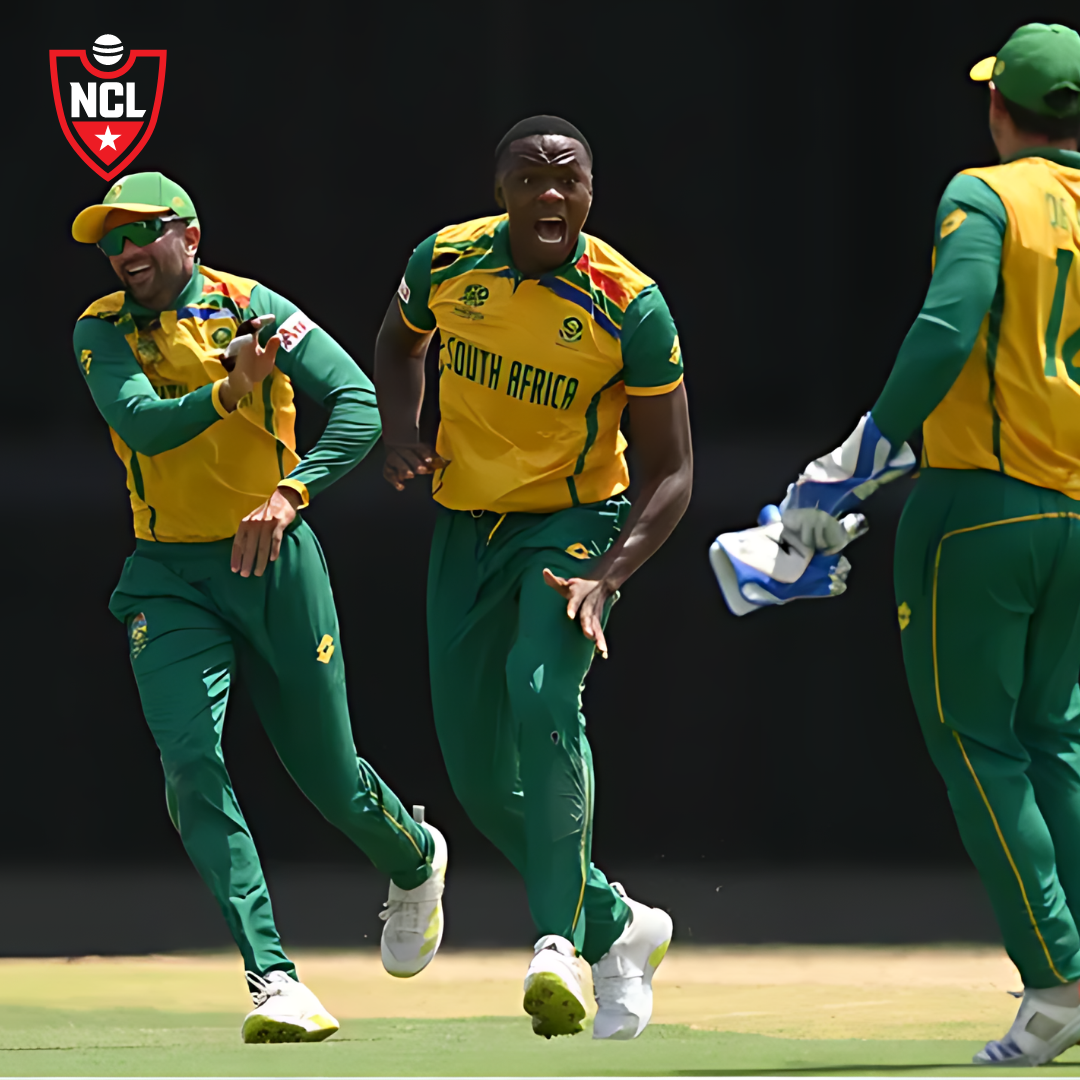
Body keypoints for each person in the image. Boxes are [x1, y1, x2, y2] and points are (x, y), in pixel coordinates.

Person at [70, 171, 448, 1044]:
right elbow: (143, 424)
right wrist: (231, 392)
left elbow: (355, 404)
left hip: (275, 562)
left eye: (141, 233)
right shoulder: (99, 328)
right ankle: (272, 976)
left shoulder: (258, 309)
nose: (123, 252)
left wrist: (290, 494)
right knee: (191, 764)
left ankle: (415, 857)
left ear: (189, 237)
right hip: (167, 578)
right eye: (109, 240)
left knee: (332, 779)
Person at [774, 24, 1080, 1067]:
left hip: (985, 513)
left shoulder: (985, 195)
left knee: (981, 747)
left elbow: (952, 331)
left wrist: (858, 456)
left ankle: (1055, 984)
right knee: (1057, 742)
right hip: (1075, 512)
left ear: (1003, 110)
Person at [374, 115, 693, 1040]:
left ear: (591, 193)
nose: (551, 194)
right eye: (531, 177)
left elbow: (672, 471)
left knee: (543, 691)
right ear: (502, 187)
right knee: (477, 782)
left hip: (573, 524)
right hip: (467, 528)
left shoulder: (630, 303)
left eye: (571, 179)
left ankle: (560, 943)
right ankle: (620, 925)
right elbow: (398, 344)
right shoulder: (445, 261)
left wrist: (608, 572)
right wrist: (404, 430)